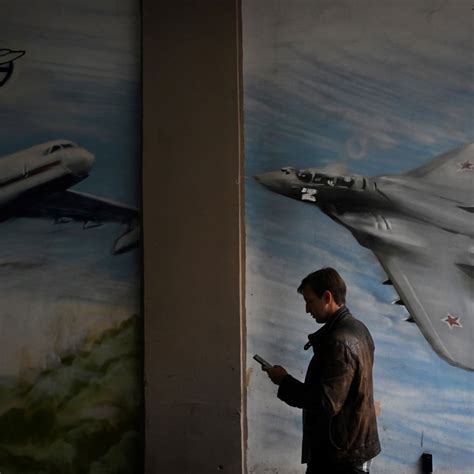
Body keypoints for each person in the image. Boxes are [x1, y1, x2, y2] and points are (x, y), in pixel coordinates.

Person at [262, 267, 381, 474]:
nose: (307, 309)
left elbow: (326, 403)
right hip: (349, 449)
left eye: (309, 301)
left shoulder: (339, 342)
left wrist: (284, 381)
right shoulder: (358, 329)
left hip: (338, 456)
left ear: (327, 297)